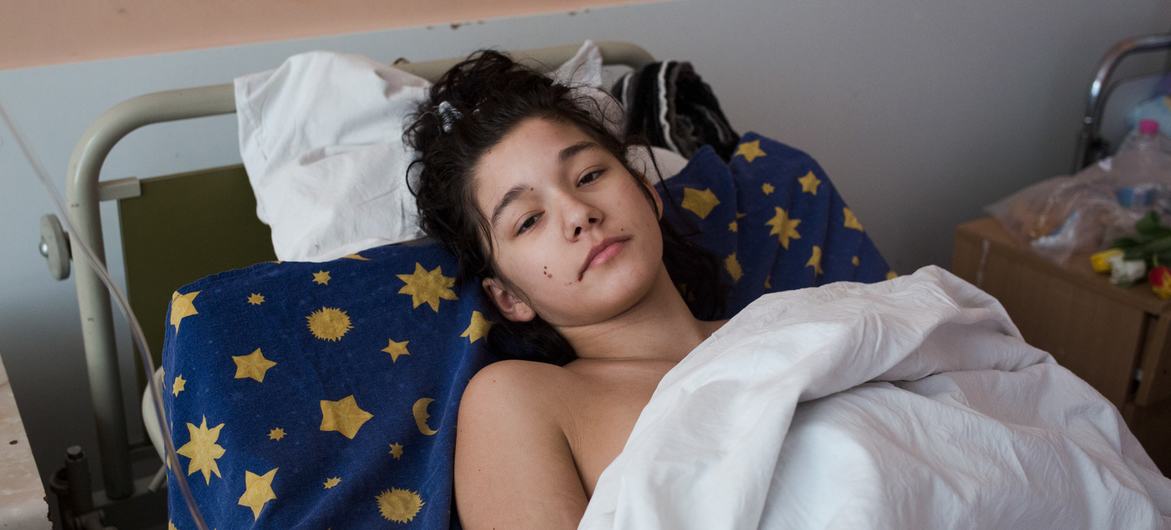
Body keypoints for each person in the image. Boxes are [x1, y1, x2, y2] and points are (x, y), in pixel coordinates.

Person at [404, 50, 729, 528]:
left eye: (589, 176)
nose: (578, 214)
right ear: (508, 297)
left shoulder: (788, 322)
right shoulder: (520, 400)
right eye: (529, 220)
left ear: (647, 192)